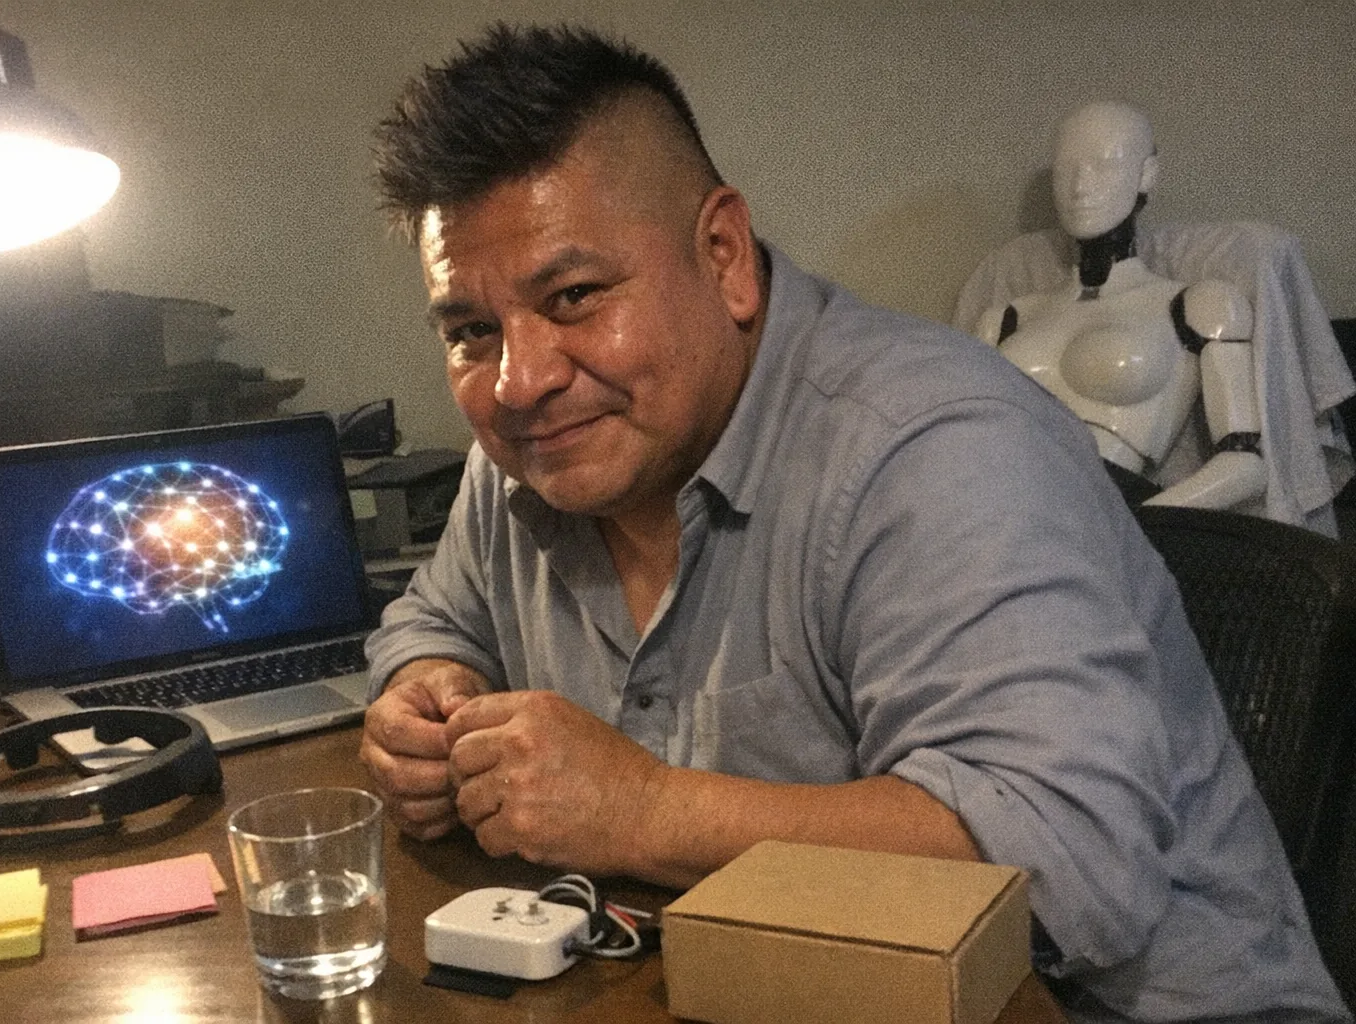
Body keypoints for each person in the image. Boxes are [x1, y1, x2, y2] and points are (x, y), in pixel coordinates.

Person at [360, 24, 1349, 1023]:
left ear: (724, 256)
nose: (518, 379)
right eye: (470, 330)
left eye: (574, 295)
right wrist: (422, 692)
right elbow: (435, 620)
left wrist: (644, 810)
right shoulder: (530, 451)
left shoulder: (933, 446)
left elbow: (1070, 862)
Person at [973, 100, 1267, 511]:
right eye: (1065, 169)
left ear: (1146, 174)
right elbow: (966, 445)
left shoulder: (1198, 306)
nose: (1079, 187)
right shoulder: (1004, 320)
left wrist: (1136, 529)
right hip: (994, 512)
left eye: (1104, 165)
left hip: (1111, 510)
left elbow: (1245, 464)